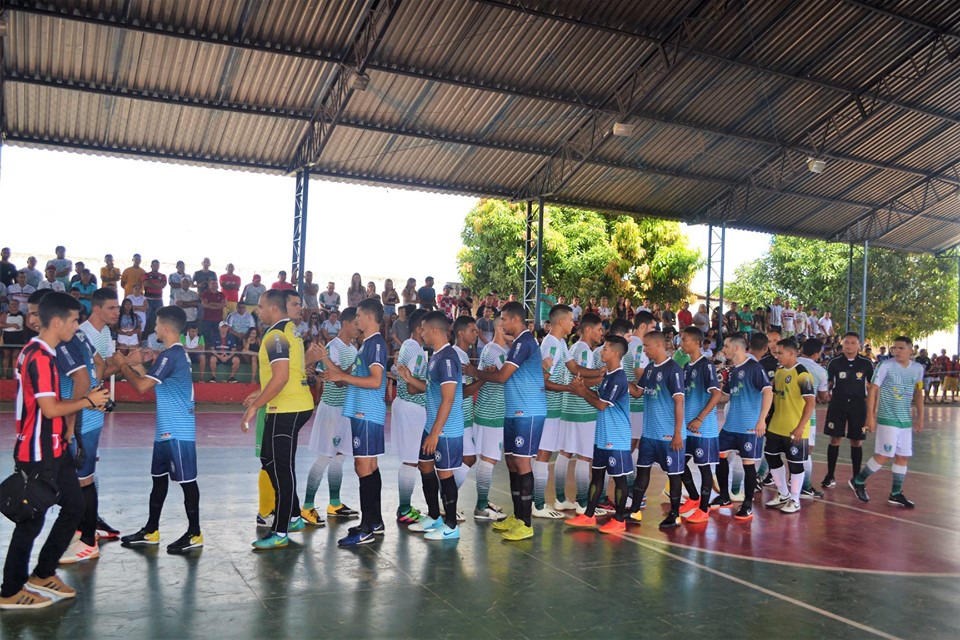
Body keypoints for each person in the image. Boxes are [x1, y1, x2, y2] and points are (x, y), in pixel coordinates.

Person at [0, 292, 110, 610]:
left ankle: (43, 573)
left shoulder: (43, 353)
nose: (77, 326)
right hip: (37, 451)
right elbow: (49, 409)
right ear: (59, 321)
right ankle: (9, 591)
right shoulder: (40, 357)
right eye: (75, 320)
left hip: (52, 449)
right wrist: (89, 401)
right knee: (30, 522)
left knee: (74, 506)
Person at [111, 306, 203, 554]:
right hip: (165, 430)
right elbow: (151, 382)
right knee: (158, 481)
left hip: (178, 431)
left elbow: (141, 387)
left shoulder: (169, 355)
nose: (153, 328)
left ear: (165, 328)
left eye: (156, 324)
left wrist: (123, 365)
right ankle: (151, 530)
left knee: (187, 483)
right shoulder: (172, 355)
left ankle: (195, 533)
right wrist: (138, 365)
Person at [241, 290, 315, 549]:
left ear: (272, 308)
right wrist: (259, 393)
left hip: (288, 407)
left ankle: (281, 530)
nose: (258, 311)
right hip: (286, 404)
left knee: (283, 468)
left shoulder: (275, 335)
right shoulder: (290, 331)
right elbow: (288, 373)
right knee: (269, 460)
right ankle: (293, 515)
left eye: (260, 306)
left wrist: (254, 408)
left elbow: (282, 377)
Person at [472, 301, 547, 541]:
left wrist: (473, 372)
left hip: (528, 412)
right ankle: (517, 516)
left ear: (515, 319)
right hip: (514, 411)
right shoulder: (518, 344)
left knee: (523, 464)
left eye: (503, 319)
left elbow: (503, 376)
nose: (501, 323)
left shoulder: (525, 342)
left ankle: (526, 523)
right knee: (513, 462)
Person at [317, 297, 387, 547]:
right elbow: (349, 377)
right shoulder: (367, 345)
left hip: (366, 413)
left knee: (363, 468)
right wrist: (329, 363)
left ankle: (367, 527)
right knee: (370, 467)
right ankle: (374, 521)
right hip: (363, 412)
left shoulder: (375, 344)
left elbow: (376, 381)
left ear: (368, 317)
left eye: (358, 315)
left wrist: (341, 375)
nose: (355, 320)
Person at [49, 290, 110, 563]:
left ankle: (88, 539)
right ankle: (82, 531)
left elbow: (83, 380)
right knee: (82, 478)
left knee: (82, 480)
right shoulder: (82, 336)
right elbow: (99, 363)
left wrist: (69, 424)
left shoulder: (64, 342)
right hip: (91, 417)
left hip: (81, 421)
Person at [396, 311, 465, 540]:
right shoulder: (435, 355)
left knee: (444, 474)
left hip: (445, 429)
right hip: (433, 425)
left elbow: (448, 398)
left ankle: (451, 526)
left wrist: (435, 433)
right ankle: (434, 516)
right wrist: (407, 378)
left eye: (424, 329)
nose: (421, 333)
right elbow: (431, 389)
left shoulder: (447, 359)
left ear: (435, 330)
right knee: (425, 466)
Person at [564, 334, 633, 533]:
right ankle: (589, 515)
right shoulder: (608, 376)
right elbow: (598, 397)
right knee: (597, 476)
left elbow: (602, 405)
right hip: (603, 436)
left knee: (619, 479)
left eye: (606, 349)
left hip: (616, 438)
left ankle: (619, 520)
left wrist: (582, 391)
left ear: (616, 353)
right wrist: (582, 388)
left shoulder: (619, 377)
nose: (602, 351)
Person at [302, 307, 361, 526]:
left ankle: (334, 503)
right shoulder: (333, 347)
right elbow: (336, 380)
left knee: (339, 457)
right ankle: (307, 506)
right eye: (356, 323)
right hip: (332, 409)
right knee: (325, 457)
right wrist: (351, 372)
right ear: (345, 324)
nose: (359, 327)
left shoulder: (353, 349)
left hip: (345, 409)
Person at [849, 336, 924, 508]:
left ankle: (895, 493)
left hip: (905, 419)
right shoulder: (886, 366)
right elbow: (873, 389)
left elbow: (919, 393)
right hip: (887, 417)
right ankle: (859, 481)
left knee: (903, 456)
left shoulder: (918, 369)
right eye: (894, 348)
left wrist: (920, 417)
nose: (896, 351)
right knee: (885, 455)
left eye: (901, 348)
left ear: (910, 350)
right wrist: (871, 416)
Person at [713, 334, 773, 521]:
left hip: (749, 426)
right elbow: (725, 396)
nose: (723, 349)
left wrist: (762, 419)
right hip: (732, 425)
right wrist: (712, 391)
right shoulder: (732, 371)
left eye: (726, 346)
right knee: (720, 455)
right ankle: (724, 497)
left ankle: (747, 504)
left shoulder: (754, 368)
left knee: (748, 464)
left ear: (737, 348)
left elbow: (768, 392)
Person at [632, 331, 686, 528]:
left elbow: (679, 402)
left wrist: (678, 433)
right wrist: (618, 376)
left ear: (658, 345)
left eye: (646, 346)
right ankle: (635, 511)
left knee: (674, 473)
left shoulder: (674, 369)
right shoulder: (649, 369)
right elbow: (638, 392)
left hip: (668, 435)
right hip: (649, 433)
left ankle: (675, 514)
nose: (644, 349)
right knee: (642, 470)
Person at [557, 313, 606, 514]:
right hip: (582, 407)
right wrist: (604, 379)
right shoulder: (584, 350)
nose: (601, 333)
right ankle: (583, 502)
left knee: (566, 452)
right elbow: (582, 380)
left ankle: (561, 498)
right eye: (599, 329)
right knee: (584, 456)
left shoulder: (575, 348)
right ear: (588, 330)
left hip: (569, 407)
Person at [763, 339, 816, 514]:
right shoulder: (778, 372)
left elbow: (810, 402)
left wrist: (801, 426)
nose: (777, 356)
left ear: (791, 353)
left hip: (795, 427)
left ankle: (795, 499)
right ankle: (783, 493)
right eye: (776, 353)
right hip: (776, 425)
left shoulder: (802, 374)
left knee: (795, 464)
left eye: (780, 353)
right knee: (771, 457)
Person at [676, 326, 722, 524]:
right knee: (678, 463)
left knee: (703, 468)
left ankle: (704, 508)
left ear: (696, 342)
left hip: (703, 428)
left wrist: (700, 418)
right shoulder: (687, 366)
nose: (681, 343)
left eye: (684, 340)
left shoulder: (707, 365)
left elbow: (716, 394)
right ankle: (694, 497)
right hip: (687, 427)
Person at [469, 315, 513, 521]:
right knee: (488, 459)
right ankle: (480, 506)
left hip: (492, 412)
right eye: (508, 327)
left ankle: (483, 502)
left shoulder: (500, 351)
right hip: (491, 412)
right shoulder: (495, 351)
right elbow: (508, 376)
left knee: (488, 459)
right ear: (500, 328)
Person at [391, 309, 430, 524]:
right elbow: (413, 387)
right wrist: (434, 384)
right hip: (412, 407)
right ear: (419, 329)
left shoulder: (407, 345)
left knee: (410, 459)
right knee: (411, 460)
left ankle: (405, 506)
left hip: (405, 406)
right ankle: (404, 509)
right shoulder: (415, 351)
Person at [821, 332, 873, 488]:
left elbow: (872, 387)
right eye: (846, 343)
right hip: (838, 403)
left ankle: (856, 477)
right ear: (841, 344)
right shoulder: (834, 362)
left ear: (859, 345)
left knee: (856, 440)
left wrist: (871, 410)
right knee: (835, 438)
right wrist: (823, 394)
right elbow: (827, 383)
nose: (849, 346)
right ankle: (830, 475)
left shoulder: (866, 363)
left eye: (853, 343)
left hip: (858, 405)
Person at [797, 338, 830, 498]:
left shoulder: (789, 363)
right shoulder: (820, 371)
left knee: (776, 448)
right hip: (807, 414)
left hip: (785, 411)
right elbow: (823, 396)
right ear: (817, 354)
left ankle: (762, 477)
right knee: (806, 450)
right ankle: (805, 485)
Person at [1, 299, 26, 377]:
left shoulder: (22, 314)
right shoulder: (4, 314)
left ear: (19, 305)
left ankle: (14, 375)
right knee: (6, 355)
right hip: (7, 335)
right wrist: (12, 325)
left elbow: (25, 325)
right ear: (9, 305)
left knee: (15, 356)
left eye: (16, 304)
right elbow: (1, 324)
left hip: (18, 336)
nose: (14, 305)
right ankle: (4, 375)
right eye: (12, 304)